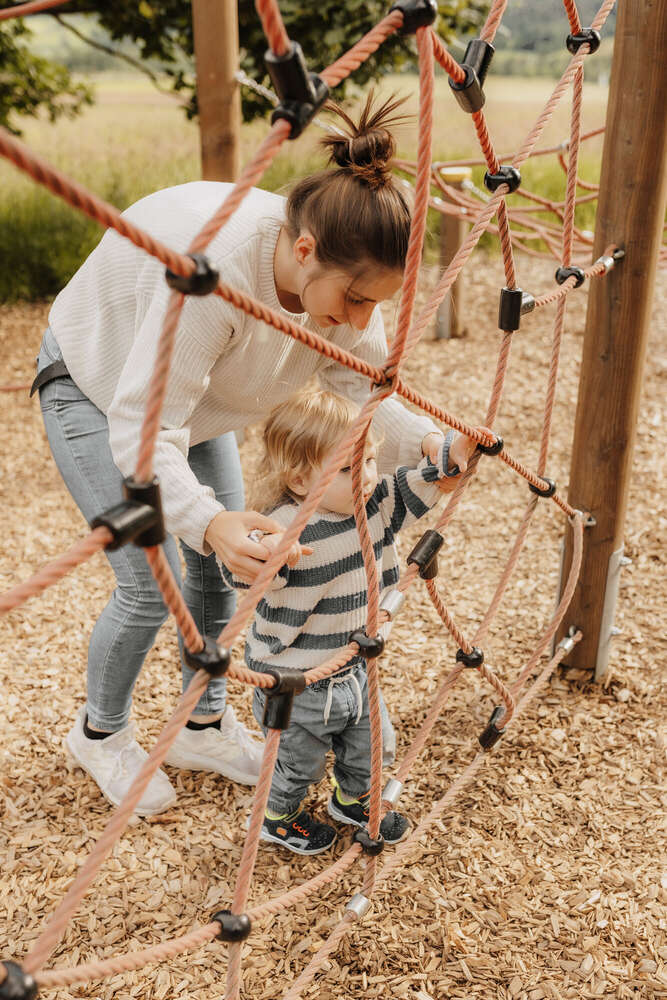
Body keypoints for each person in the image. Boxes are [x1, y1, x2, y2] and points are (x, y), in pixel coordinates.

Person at [33, 94, 470, 817]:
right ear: (303, 251)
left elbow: (363, 382)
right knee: (150, 585)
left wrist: (427, 441)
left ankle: (200, 726)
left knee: (220, 572)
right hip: (95, 386)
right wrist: (208, 520)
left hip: (192, 403)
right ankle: (100, 733)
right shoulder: (216, 277)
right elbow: (144, 430)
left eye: (375, 304)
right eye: (355, 299)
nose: (361, 319)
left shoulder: (338, 275)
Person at [219, 388, 478, 854]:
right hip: (296, 683)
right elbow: (244, 565)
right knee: (298, 765)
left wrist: (451, 456)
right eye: (347, 468)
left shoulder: (373, 505)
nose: (367, 476)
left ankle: (352, 800)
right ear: (300, 479)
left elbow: (418, 483)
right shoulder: (287, 527)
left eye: (371, 460)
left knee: (374, 747)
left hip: (355, 667)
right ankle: (278, 817)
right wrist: (266, 553)